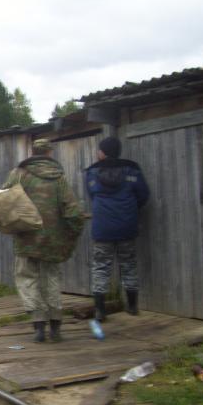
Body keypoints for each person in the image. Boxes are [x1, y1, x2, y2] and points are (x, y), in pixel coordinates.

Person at [2, 138, 85, 342]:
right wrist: (73, 234)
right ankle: (55, 327)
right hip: (53, 241)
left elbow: (2, 201)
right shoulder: (59, 178)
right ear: (49, 153)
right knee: (51, 279)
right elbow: (73, 212)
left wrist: (10, 225)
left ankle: (38, 327)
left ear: (33, 152)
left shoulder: (18, 174)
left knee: (27, 279)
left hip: (25, 239)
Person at [86, 136, 150, 321]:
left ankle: (99, 310)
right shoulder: (132, 169)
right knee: (129, 264)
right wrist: (130, 210)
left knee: (100, 267)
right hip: (127, 226)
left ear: (103, 152)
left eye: (99, 150)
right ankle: (132, 306)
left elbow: (92, 196)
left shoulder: (92, 173)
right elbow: (144, 195)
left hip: (102, 227)